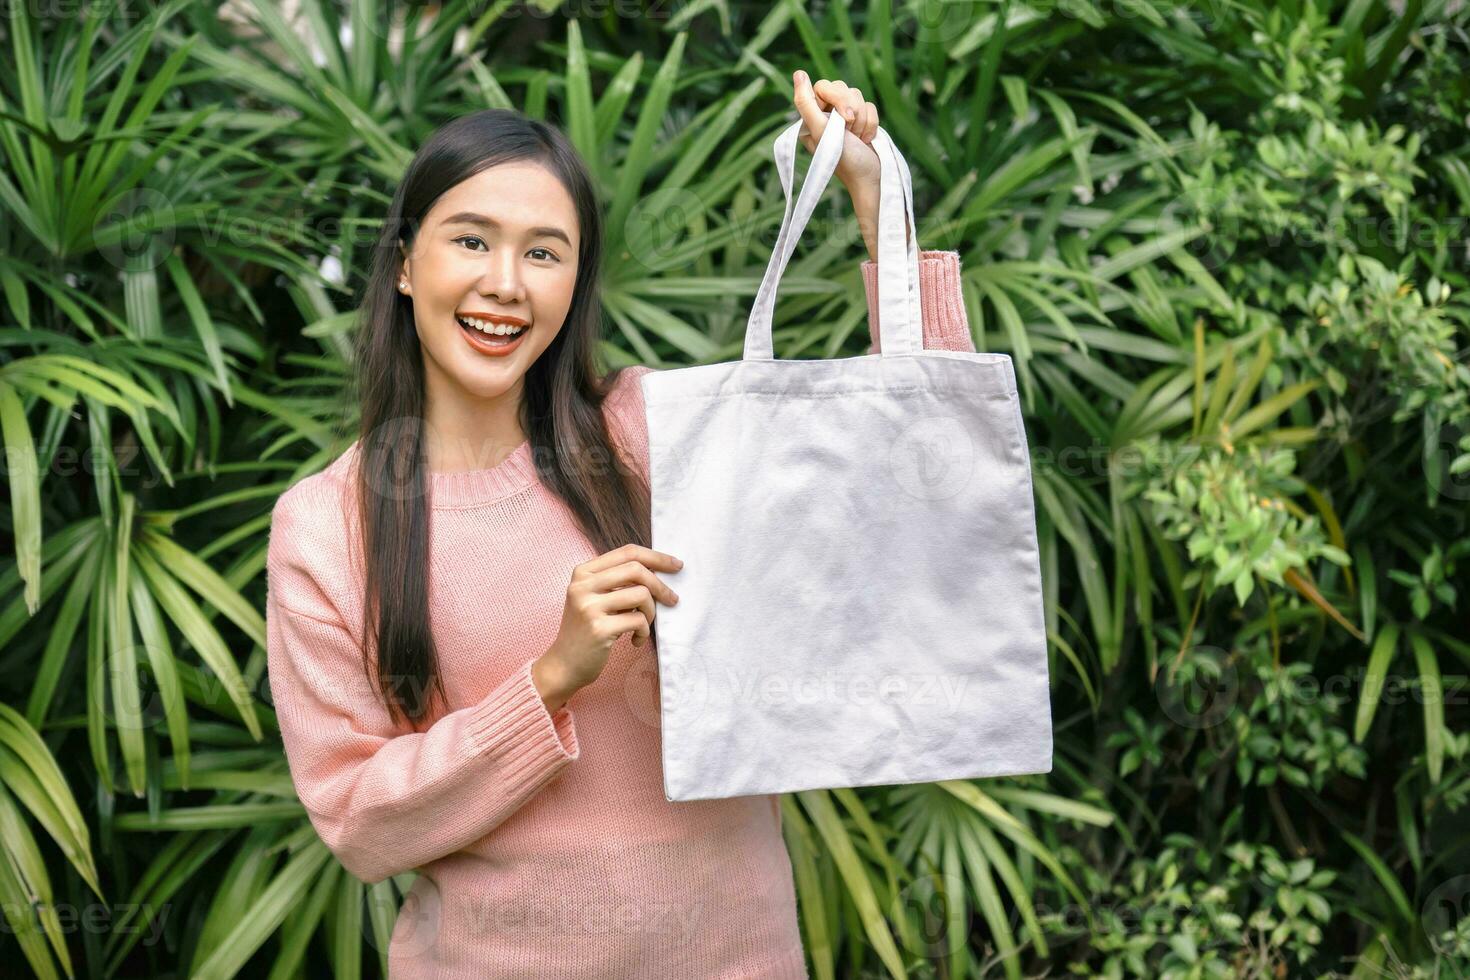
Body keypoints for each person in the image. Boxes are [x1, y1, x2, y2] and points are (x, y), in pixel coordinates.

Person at [265, 69, 975, 978]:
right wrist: (551, 678)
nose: (504, 285)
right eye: (471, 241)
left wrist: (876, 204)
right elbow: (360, 821)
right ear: (405, 263)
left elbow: (917, 479)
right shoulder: (327, 529)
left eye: (544, 252)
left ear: (575, 284)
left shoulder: (646, 434)